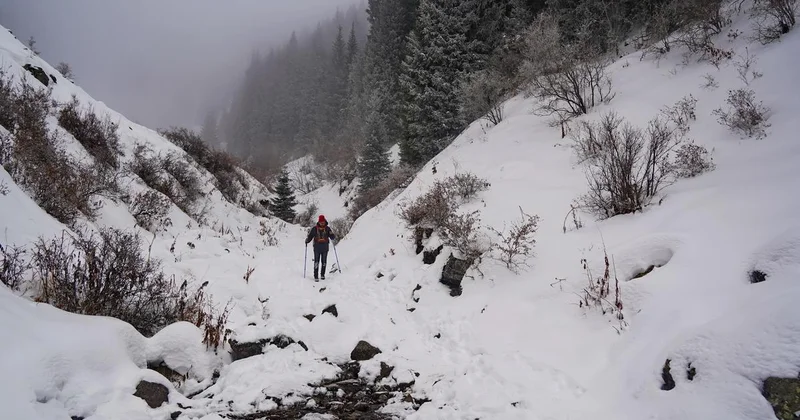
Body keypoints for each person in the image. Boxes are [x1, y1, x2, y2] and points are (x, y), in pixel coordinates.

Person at [305, 215, 336, 280]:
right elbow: (310, 236)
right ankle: (316, 275)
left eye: (323, 222)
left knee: (324, 262)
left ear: (325, 221)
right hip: (317, 248)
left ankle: (322, 275)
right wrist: (307, 240)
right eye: (321, 222)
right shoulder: (314, 229)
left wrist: (332, 236)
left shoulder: (327, 229)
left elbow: (331, 236)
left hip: (325, 248)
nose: (322, 223)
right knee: (316, 262)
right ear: (318, 222)